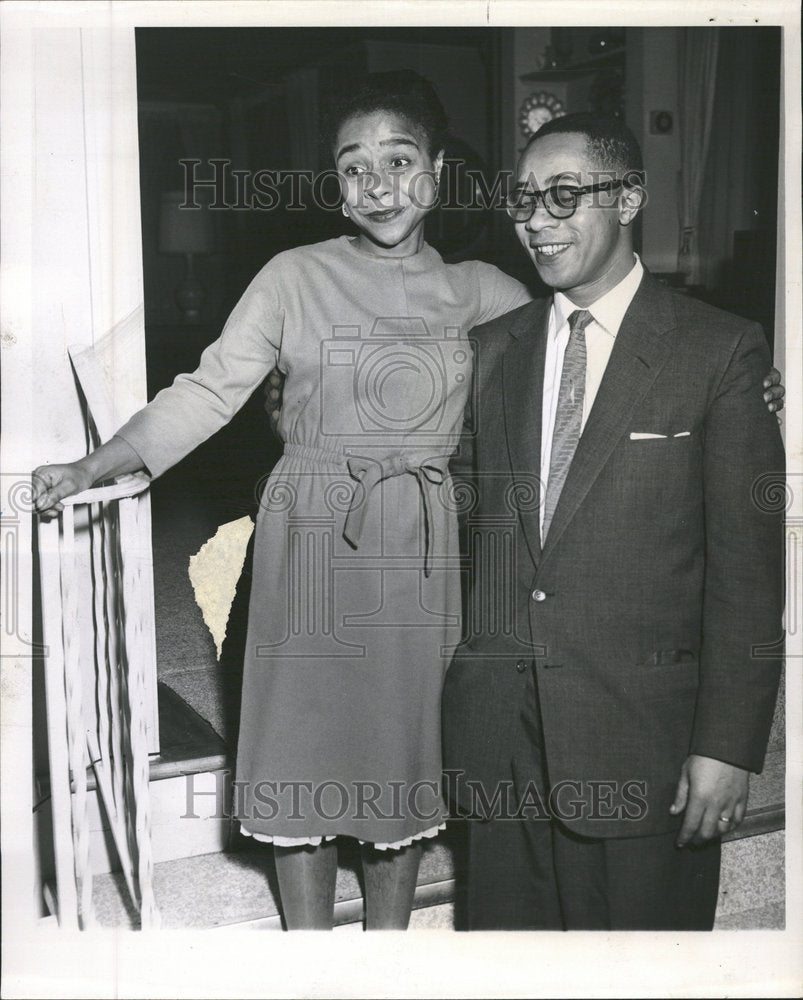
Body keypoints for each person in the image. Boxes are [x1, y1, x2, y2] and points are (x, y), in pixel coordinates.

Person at [31, 81, 783, 931]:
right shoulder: (291, 276)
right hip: (309, 541)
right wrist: (97, 462)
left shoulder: (489, 294)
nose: (376, 184)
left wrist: (754, 376)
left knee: (404, 762)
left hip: (425, 550)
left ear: (435, 176)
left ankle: (391, 954)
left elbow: (608, 337)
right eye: (353, 169)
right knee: (300, 757)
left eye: (397, 162)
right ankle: (309, 955)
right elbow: (206, 392)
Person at [441, 112, 786, 930]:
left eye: (564, 195)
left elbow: (747, 572)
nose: (536, 220)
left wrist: (729, 745)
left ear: (627, 197)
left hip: (643, 748)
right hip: (499, 746)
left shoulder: (717, 351)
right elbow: (454, 513)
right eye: (524, 200)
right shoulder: (492, 348)